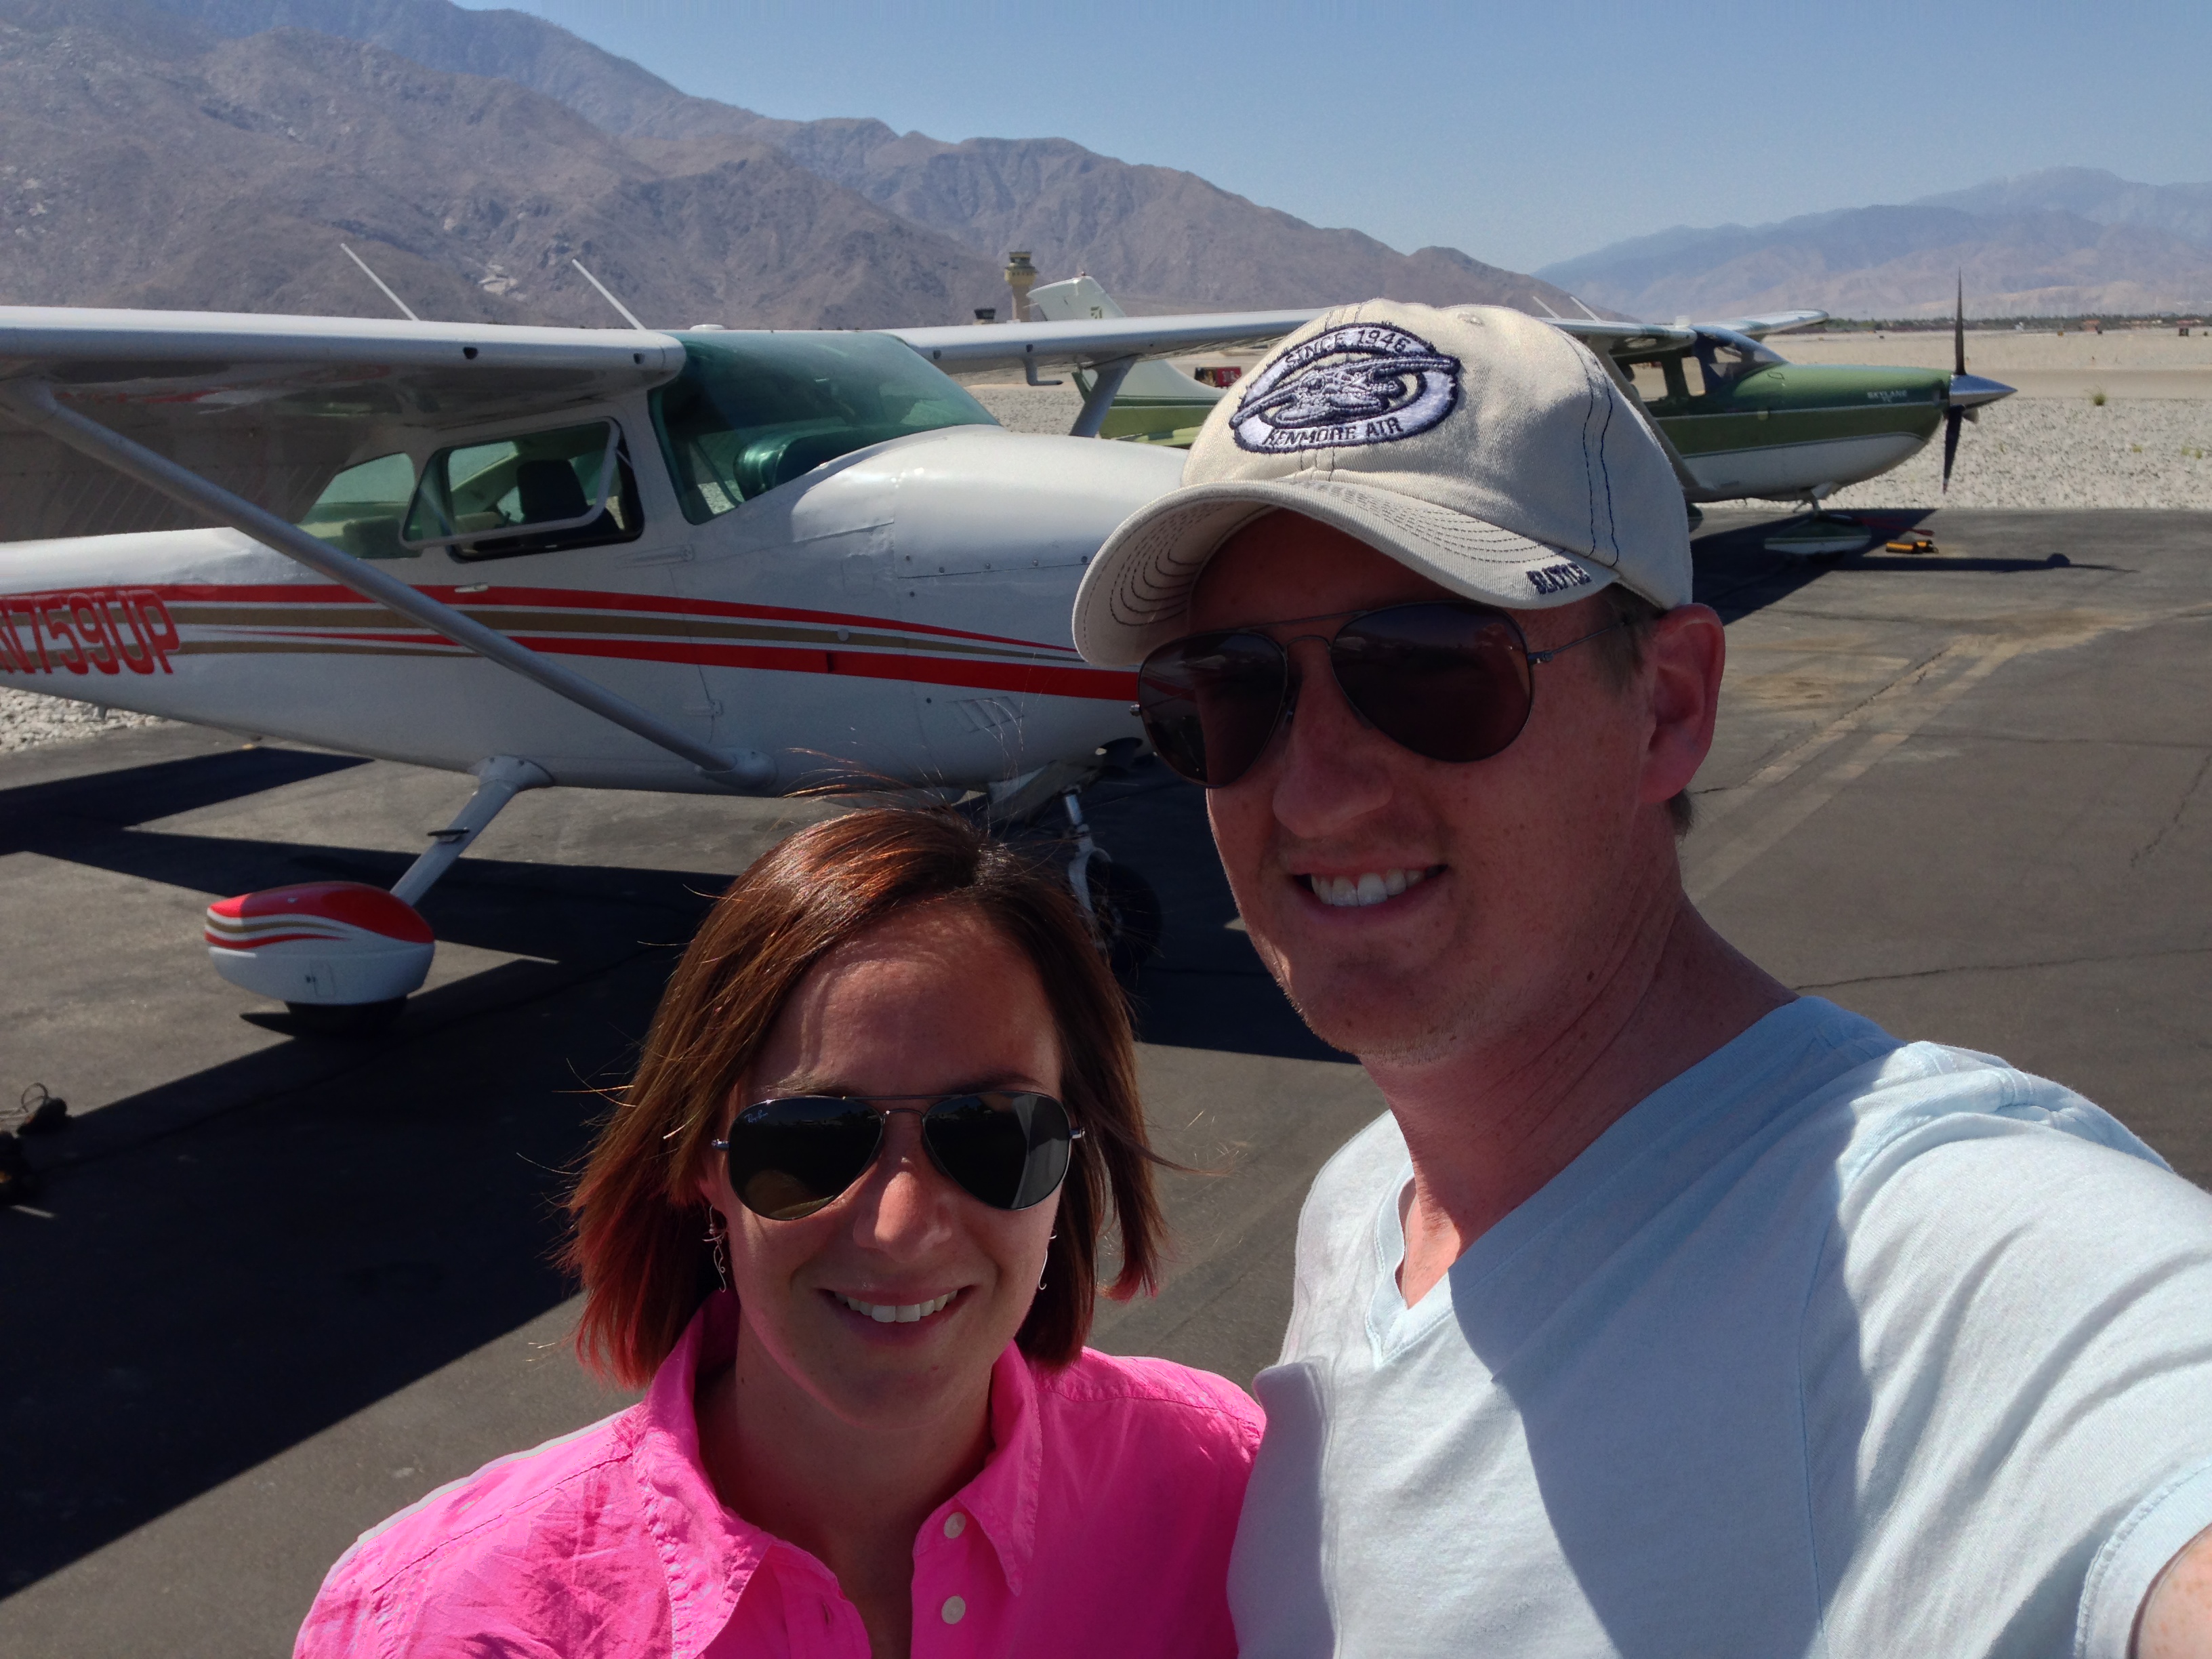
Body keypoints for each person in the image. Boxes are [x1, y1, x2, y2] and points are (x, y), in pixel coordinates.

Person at [1071, 300, 2212, 1656]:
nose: (1311, 793)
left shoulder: (1936, 1256)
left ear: (1668, 707)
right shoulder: (1361, 1211)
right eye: (1224, 691)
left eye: (1427, 670)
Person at [295, 809, 1260, 1658]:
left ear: (1076, 1152)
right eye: (810, 1140)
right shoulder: (434, 1623)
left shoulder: (1227, 1491)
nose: (901, 1229)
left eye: (993, 1134)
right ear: (702, 1163)